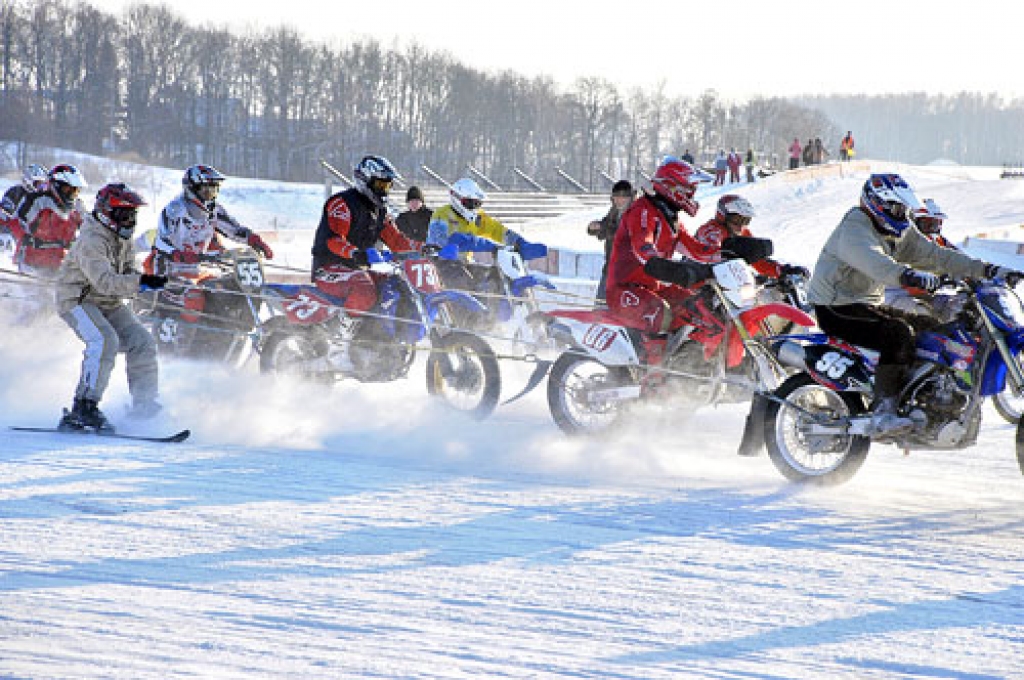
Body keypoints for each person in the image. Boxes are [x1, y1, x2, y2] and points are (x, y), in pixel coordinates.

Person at [806, 173, 1019, 436]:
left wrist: (987, 270)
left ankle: (921, 399)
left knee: (933, 328)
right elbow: (875, 263)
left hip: (868, 305)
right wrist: (908, 275)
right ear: (878, 204)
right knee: (897, 333)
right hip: (836, 307)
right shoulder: (854, 229)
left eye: (905, 210)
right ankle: (884, 410)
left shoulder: (898, 231)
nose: (902, 215)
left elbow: (936, 255)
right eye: (897, 209)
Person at [54, 182, 167, 432]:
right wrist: (139, 283)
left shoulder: (121, 238)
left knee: (142, 341)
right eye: (125, 215)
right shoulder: (92, 240)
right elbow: (105, 281)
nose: (130, 221)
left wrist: (147, 282)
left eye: (133, 215)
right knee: (104, 340)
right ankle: (84, 406)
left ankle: (144, 404)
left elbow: (127, 271)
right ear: (108, 214)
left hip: (108, 302)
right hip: (77, 300)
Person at [310, 155, 422, 369]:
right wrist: (354, 253)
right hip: (330, 267)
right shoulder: (342, 204)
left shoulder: (380, 211)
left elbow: (396, 240)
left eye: (387, 185)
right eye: (380, 184)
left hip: (359, 268)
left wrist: (421, 248)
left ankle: (376, 340)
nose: (384, 190)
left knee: (396, 285)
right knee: (364, 290)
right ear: (364, 180)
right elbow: (334, 240)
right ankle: (338, 348)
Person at [144, 164, 274, 344]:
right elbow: (160, 242)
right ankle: (181, 345)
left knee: (228, 290)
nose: (211, 195)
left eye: (214, 190)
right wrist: (177, 254)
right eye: (206, 190)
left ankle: (222, 339)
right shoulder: (174, 210)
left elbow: (235, 230)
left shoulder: (214, 211)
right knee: (194, 295)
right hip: (167, 271)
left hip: (196, 268)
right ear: (192, 189)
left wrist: (254, 240)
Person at [605, 157, 716, 363]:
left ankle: (686, 364)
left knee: (699, 306)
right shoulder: (643, 210)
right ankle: (653, 374)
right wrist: (676, 271)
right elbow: (644, 249)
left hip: (653, 288)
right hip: (624, 289)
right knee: (659, 312)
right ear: (673, 187)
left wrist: (733, 252)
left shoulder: (670, 217)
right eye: (689, 189)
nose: (692, 195)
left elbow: (698, 250)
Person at [425, 177, 546, 296]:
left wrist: (520, 242)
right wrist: (484, 245)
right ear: (457, 198)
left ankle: (495, 307)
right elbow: (441, 242)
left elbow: (497, 230)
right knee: (463, 283)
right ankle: (462, 308)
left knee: (494, 276)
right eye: (470, 203)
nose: (474, 207)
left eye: (477, 204)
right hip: (440, 264)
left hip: (465, 263)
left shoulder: (477, 217)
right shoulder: (442, 214)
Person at [692, 194, 808, 280]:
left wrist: (782, 270)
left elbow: (757, 259)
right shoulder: (711, 230)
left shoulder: (742, 232)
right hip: (699, 284)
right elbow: (712, 256)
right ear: (723, 215)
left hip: (724, 284)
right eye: (737, 220)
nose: (741, 225)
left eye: (745, 221)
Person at [586, 179, 634, 303]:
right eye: (616, 197)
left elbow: (622, 236)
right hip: (610, 265)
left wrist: (604, 229)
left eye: (622, 197)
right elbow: (606, 225)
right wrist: (595, 227)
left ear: (630, 198)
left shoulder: (635, 213)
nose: (619, 200)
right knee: (600, 304)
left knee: (618, 305)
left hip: (626, 270)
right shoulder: (614, 211)